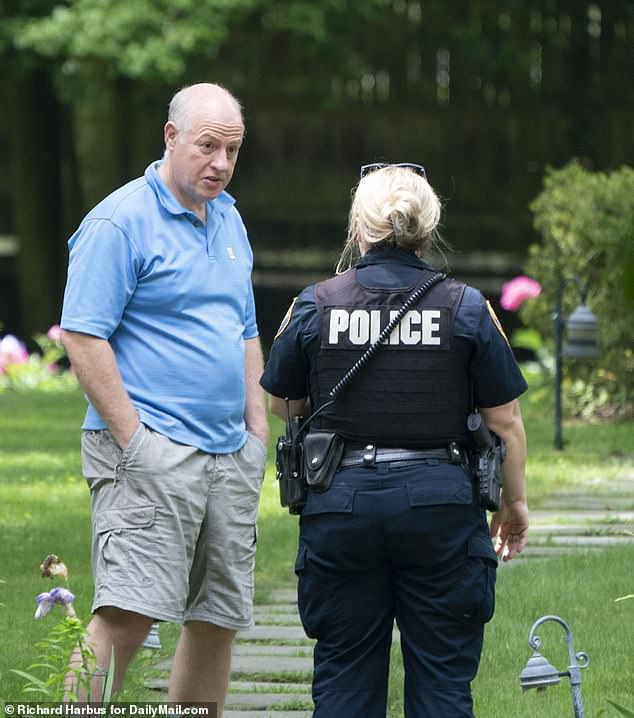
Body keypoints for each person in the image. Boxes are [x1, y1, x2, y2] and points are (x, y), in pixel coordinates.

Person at [260, 162, 529, 718]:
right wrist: (514, 504)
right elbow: (504, 422)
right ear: (428, 231)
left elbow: (281, 404)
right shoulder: (467, 308)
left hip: (341, 508)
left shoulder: (314, 303)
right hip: (442, 510)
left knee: (344, 683)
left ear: (358, 228)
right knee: (442, 686)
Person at [59, 83, 269, 710]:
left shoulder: (229, 216)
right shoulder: (119, 222)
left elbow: (246, 329)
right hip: (149, 454)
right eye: (208, 147)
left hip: (228, 455)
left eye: (232, 150)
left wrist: (257, 432)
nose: (221, 164)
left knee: (215, 618)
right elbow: (82, 336)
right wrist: (138, 442)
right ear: (171, 136)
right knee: (129, 615)